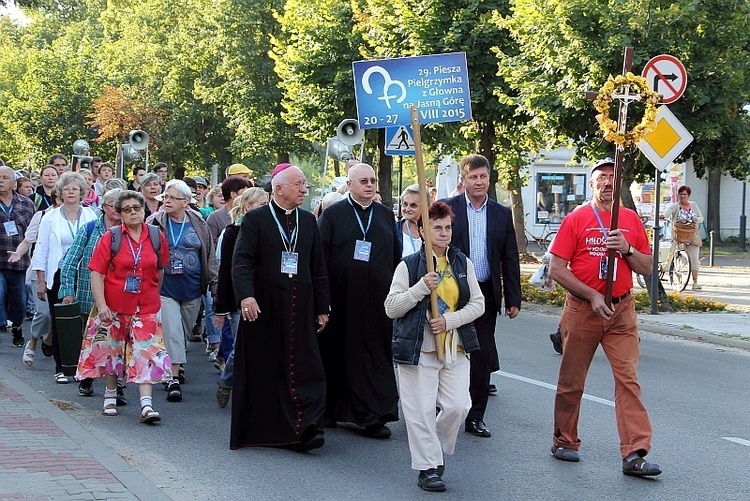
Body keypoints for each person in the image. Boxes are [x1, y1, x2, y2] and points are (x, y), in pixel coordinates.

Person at [548, 158, 662, 477]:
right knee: (571, 381)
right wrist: (592, 295)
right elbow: (557, 268)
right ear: (593, 184)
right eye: (602, 178)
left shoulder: (630, 219)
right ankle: (564, 441)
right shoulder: (577, 219)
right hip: (584, 308)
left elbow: (647, 266)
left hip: (621, 310)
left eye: (614, 177)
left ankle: (635, 452)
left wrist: (626, 249)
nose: (608, 182)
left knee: (628, 381)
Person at [385, 201, 485, 492]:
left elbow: (477, 304)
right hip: (419, 349)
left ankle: (434, 450)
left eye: (447, 227)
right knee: (420, 412)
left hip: (454, 346)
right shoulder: (409, 265)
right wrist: (419, 289)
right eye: (436, 228)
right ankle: (428, 467)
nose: (443, 233)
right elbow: (391, 308)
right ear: (421, 231)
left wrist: (450, 320)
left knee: (458, 406)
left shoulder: (461, 262)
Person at [230, 165, 329, 451]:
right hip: (265, 309)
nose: (303, 189)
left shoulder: (309, 221)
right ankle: (273, 431)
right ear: (279, 189)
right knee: (268, 370)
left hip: (302, 309)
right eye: (298, 184)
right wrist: (246, 296)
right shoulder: (256, 220)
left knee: (308, 369)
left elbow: (318, 267)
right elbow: (242, 262)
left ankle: (309, 427)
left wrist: (323, 306)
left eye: (305, 185)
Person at [318, 162, 401, 438]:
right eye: (363, 181)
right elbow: (319, 260)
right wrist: (323, 300)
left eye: (373, 180)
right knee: (338, 353)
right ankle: (333, 410)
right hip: (342, 300)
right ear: (350, 185)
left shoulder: (386, 215)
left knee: (375, 355)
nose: (369, 185)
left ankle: (373, 416)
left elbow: (396, 257)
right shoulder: (333, 216)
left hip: (378, 301)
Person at [443, 153, 521, 438]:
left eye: (483, 176)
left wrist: (513, 298)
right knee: (449, 351)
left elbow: (510, 258)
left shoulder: (501, 213)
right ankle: (447, 407)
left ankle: (475, 416)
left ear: (489, 178)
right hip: (451, 293)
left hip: (485, 294)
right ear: (463, 181)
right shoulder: (448, 209)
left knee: (481, 354)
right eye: (472, 177)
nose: (478, 182)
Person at [82, 190, 171, 423]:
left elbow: (160, 269)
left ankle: (146, 405)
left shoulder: (155, 236)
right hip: (114, 306)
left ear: (144, 210)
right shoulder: (111, 238)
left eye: (137, 208)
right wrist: (101, 305)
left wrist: (153, 292)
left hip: (146, 305)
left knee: (147, 352)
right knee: (112, 350)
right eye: (127, 209)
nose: (133, 212)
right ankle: (110, 396)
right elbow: (97, 273)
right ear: (119, 213)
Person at [151, 180, 218, 402]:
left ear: (186, 202)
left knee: (184, 332)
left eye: (172, 198)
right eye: (165, 197)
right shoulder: (155, 222)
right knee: (172, 331)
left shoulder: (198, 223)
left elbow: (208, 255)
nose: (167, 201)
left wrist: (214, 287)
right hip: (165, 287)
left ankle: (173, 364)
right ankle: (173, 377)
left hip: (192, 288)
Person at [31, 172, 98, 383]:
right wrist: (41, 281)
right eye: (67, 189)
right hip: (59, 274)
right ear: (60, 193)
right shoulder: (49, 217)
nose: (71, 192)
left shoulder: (91, 216)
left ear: (82, 193)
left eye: (75, 189)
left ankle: (82, 366)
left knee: (84, 321)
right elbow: (41, 249)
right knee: (60, 320)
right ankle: (61, 367)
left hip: (86, 275)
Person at [59, 189, 122, 397]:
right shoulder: (89, 229)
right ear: (104, 207)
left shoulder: (128, 231)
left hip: (118, 296)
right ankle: (86, 377)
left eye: (120, 205)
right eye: (113, 204)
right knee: (90, 338)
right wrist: (68, 291)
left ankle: (116, 385)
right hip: (89, 294)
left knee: (116, 340)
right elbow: (70, 262)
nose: (118, 209)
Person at [213, 187, 269, 408]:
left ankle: (257, 393)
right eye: (262, 205)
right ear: (248, 206)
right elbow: (226, 270)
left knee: (263, 345)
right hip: (240, 299)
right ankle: (227, 381)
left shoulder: (270, 230)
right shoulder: (232, 233)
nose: (266, 209)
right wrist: (221, 306)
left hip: (264, 296)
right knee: (241, 346)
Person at [0, 166, 36, 347]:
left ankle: (16, 325)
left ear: (14, 183)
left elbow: (35, 232)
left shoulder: (26, 203)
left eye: (5, 178)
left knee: (19, 301)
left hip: (19, 261)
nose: (1, 181)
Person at [663, 185, 704, 290]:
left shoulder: (693, 205)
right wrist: (664, 215)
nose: (682, 196)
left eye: (684, 194)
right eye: (680, 194)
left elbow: (701, 218)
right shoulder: (675, 206)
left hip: (692, 235)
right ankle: (679, 282)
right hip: (679, 235)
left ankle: (695, 282)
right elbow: (668, 212)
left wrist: (696, 219)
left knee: (694, 260)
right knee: (679, 260)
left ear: (688, 195)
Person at [206, 176, 252, 244]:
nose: (247, 197)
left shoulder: (249, 215)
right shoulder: (214, 218)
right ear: (233, 194)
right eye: (244, 194)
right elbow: (209, 246)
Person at [396, 184, 422, 258]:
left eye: (413, 205)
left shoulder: (434, 229)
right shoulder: (394, 231)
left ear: (426, 206)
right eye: (405, 204)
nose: (407, 209)